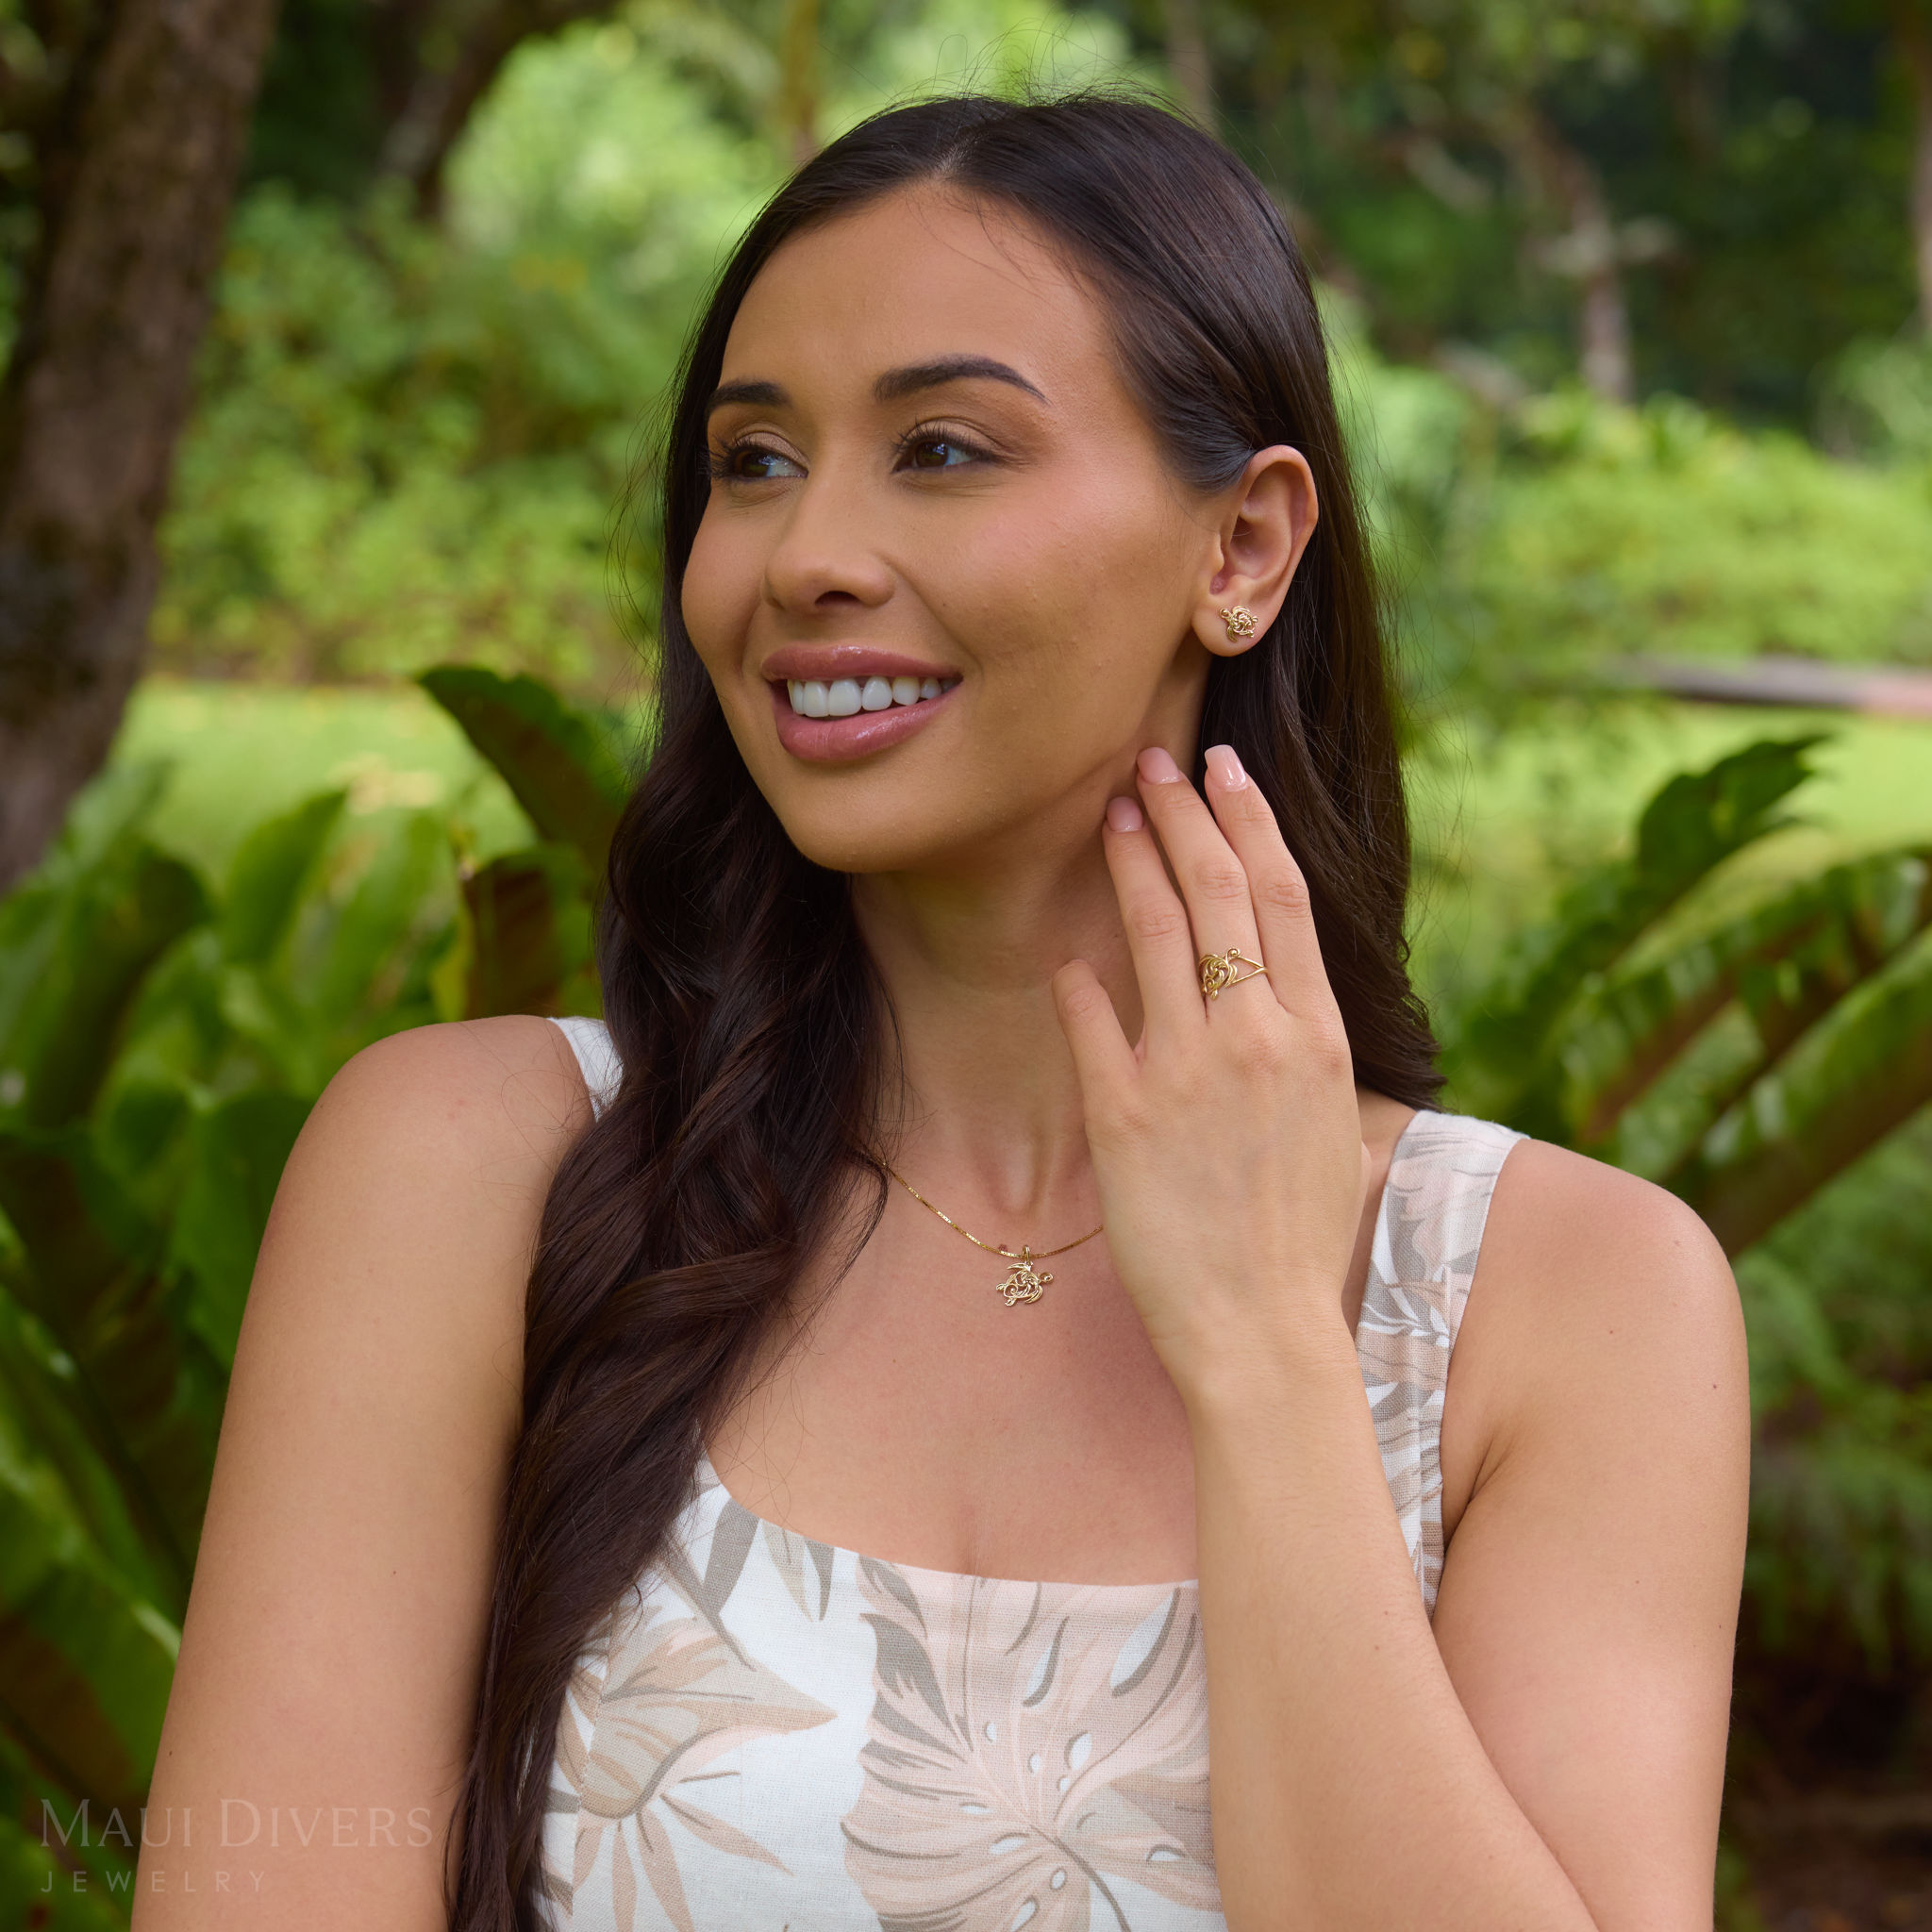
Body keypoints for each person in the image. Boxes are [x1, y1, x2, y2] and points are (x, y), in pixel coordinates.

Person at [136, 92, 1749, 1932]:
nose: (803, 553)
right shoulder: (472, 1179)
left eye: (945, 449)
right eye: (751, 463)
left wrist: (1266, 1355)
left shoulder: (1566, 1304)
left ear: (1241, 549)